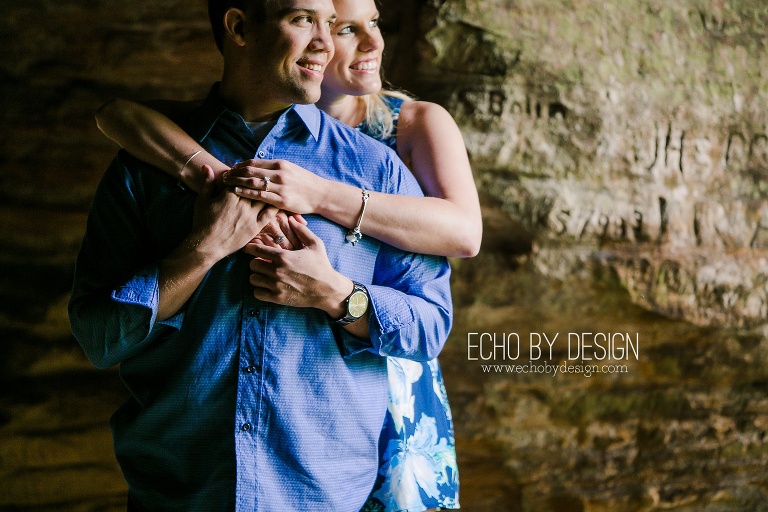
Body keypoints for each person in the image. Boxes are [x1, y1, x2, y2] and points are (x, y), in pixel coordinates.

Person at [96, 1, 482, 510]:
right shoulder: (156, 157)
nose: (334, 42)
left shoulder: (385, 157)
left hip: (342, 463)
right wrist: (208, 236)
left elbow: (450, 273)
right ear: (239, 28)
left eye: (336, 24)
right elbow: (99, 334)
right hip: (179, 491)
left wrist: (336, 287)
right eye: (309, 20)